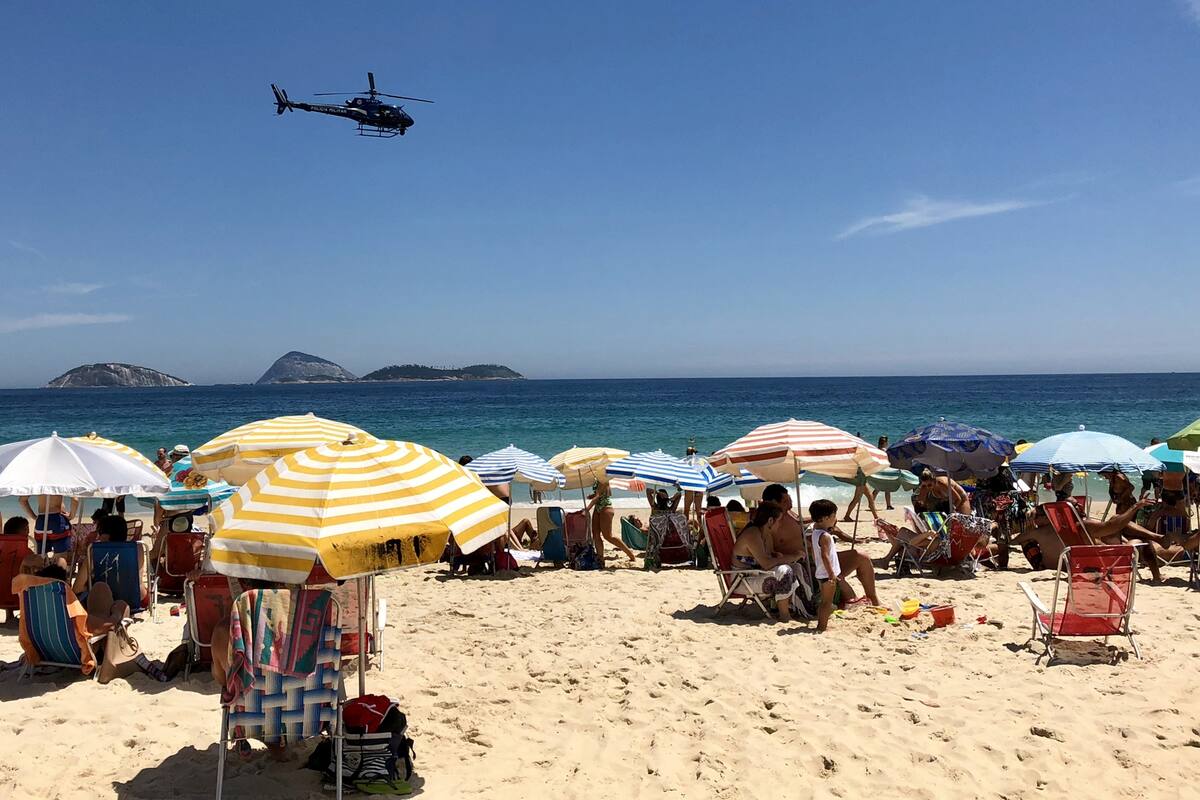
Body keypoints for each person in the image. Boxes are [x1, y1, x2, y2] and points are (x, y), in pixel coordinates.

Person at [760, 484, 881, 608]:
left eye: (789, 498)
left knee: (862, 556)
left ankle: (874, 600)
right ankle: (849, 599)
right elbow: (768, 552)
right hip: (806, 566)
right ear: (773, 502)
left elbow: (801, 526)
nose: (790, 502)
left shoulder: (789, 514)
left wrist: (824, 520)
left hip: (814, 558)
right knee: (832, 568)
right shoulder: (769, 523)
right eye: (785, 500)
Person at [730, 503, 799, 622]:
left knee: (796, 567)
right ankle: (784, 615)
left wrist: (778, 556)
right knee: (785, 571)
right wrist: (792, 556)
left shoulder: (765, 534)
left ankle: (799, 608)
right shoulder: (752, 534)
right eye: (779, 521)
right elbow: (766, 564)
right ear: (771, 520)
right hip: (742, 581)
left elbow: (769, 556)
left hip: (755, 575)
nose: (781, 524)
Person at [808, 500, 843, 633]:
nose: (836, 519)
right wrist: (831, 574)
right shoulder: (825, 537)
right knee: (826, 603)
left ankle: (822, 625)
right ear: (826, 518)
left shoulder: (816, 532)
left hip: (821, 572)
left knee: (825, 601)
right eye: (834, 516)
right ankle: (821, 627)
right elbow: (825, 556)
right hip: (827, 574)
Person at [585, 480, 636, 566]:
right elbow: (601, 494)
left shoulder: (603, 480)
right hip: (598, 508)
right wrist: (592, 495)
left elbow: (598, 496)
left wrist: (587, 509)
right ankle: (600, 559)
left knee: (608, 536)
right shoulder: (597, 479)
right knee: (596, 534)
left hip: (606, 507)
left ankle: (630, 554)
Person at [875, 436, 896, 510]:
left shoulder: (877, 450)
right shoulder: (885, 450)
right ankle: (888, 505)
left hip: (879, 470)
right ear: (885, 443)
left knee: (877, 489)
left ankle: (871, 503)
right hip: (885, 470)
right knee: (887, 488)